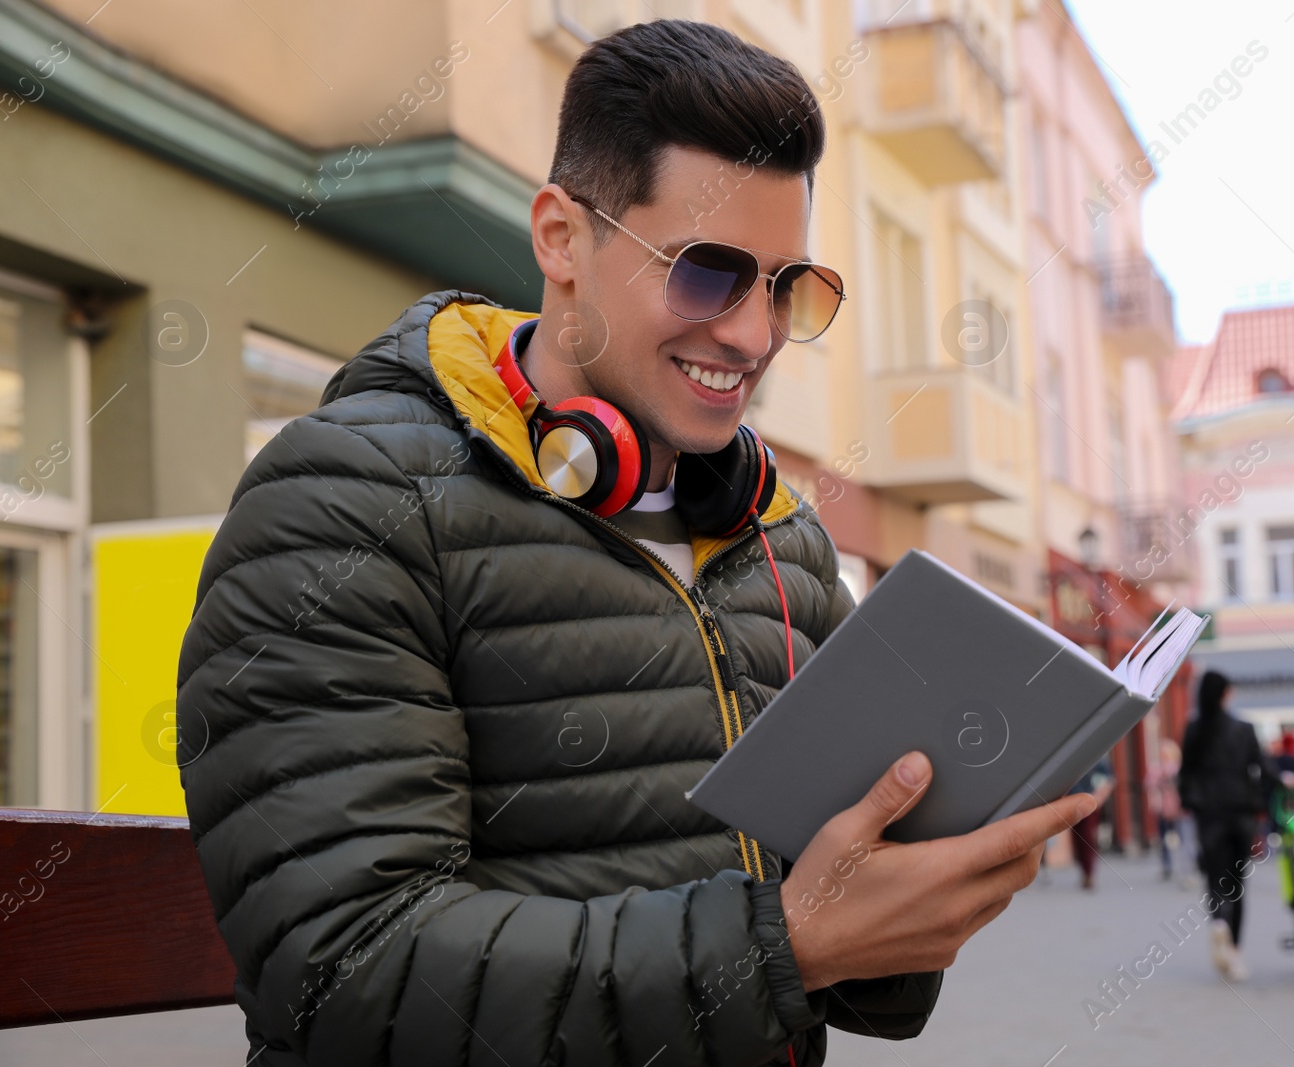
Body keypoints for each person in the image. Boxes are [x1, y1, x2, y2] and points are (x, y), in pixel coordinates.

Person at [173, 21, 1099, 1067]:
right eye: (706, 273)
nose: (752, 335)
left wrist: (917, 899)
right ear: (562, 238)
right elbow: (345, 968)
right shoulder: (343, 500)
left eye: (785, 286)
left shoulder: (783, 541)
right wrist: (783, 944)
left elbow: (841, 959)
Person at [1178, 670, 1279, 983]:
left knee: (1215, 880)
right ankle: (1234, 952)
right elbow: (1262, 769)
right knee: (1237, 886)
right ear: (1225, 694)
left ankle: (1218, 921)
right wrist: (1280, 782)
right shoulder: (1243, 729)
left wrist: (1192, 804)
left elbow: (1185, 774)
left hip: (1209, 815)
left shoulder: (1195, 730)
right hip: (1240, 814)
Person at [1067, 758, 1117, 890]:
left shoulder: (1099, 758)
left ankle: (1089, 873)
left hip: (1089, 802)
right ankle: (1084, 871)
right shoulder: (1071, 757)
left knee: (1087, 836)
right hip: (1072, 802)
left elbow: (1108, 780)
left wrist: (1097, 799)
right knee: (1077, 838)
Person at [1148, 736, 1187, 882]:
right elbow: (1150, 783)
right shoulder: (1156, 768)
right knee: (1163, 838)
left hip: (1178, 808)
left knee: (1183, 836)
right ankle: (1167, 865)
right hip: (1162, 808)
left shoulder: (1177, 767)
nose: (1163, 755)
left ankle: (1186, 865)